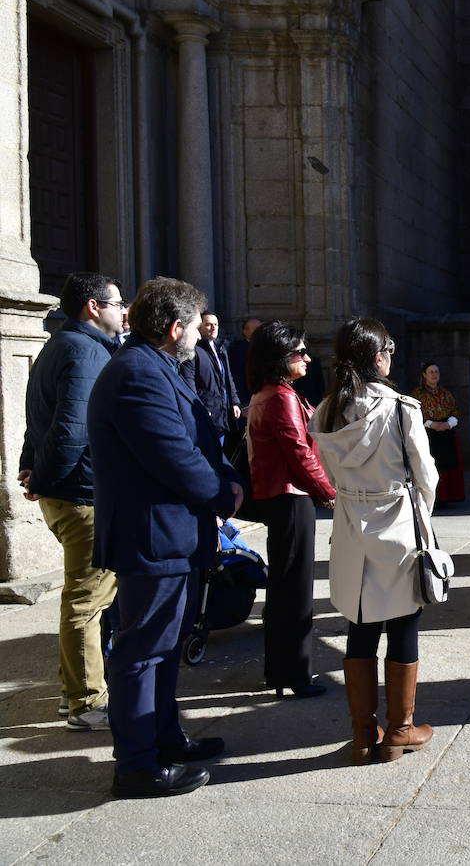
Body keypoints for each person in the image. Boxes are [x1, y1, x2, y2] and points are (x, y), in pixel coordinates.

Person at [88, 277, 242, 798]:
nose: (200, 337)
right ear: (175, 328)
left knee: (166, 645)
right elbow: (174, 456)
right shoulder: (136, 374)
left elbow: (198, 432)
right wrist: (225, 496)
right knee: (141, 651)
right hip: (153, 537)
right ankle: (136, 765)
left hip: (175, 535)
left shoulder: (156, 367)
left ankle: (164, 740)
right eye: (197, 328)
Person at [309, 318, 439, 765]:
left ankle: (364, 732)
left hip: (349, 522)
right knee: (403, 621)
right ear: (378, 356)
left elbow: (326, 475)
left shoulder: (325, 410)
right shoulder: (402, 408)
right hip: (396, 519)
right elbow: (426, 476)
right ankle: (400, 728)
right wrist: (421, 513)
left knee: (360, 625)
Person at [18, 272, 125, 730]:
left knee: (84, 597)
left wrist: (33, 469)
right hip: (82, 495)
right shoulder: (83, 350)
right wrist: (42, 477)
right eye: (117, 303)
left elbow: (38, 420)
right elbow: (68, 431)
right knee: (87, 602)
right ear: (92, 308)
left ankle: (73, 694)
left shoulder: (63, 344)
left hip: (69, 491)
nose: (124, 312)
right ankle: (86, 703)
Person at [245, 321, 336, 698]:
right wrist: (327, 491)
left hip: (283, 497)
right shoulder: (280, 397)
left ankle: (280, 672)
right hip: (291, 497)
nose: (307, 358)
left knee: (284, 588)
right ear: (281, 357)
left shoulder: (271, 393)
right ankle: (295, 675)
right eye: (300, 352)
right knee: (295, 590)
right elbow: (297, 451)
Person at [179, 311, 241, 446]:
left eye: (216, 324)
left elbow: (227, 377)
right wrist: (199, 408)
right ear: (199, 327)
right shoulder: (193, 350)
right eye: (208, 325)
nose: (213, 328)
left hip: (223, 412)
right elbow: (189, 383)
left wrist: (234, 402)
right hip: (207, 412)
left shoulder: (221, 348)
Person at [410, 362, 466, 503]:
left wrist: (448, 424)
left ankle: (448, 497)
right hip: (428, 435)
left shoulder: (446, 393)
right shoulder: (417, 394)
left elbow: (455, 410)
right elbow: (413, 413)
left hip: (446, 434)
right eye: (431, 372)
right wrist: (431, 424)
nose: (434, 374)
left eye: (436, 372)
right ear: (424, 375)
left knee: (448, 466)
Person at [226, 316, 261, 407]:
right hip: (247, 399)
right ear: (245, 332)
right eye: (256, 329)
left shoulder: (266, 348)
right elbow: (237, 375)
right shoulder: (238, 349)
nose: (260, 332)